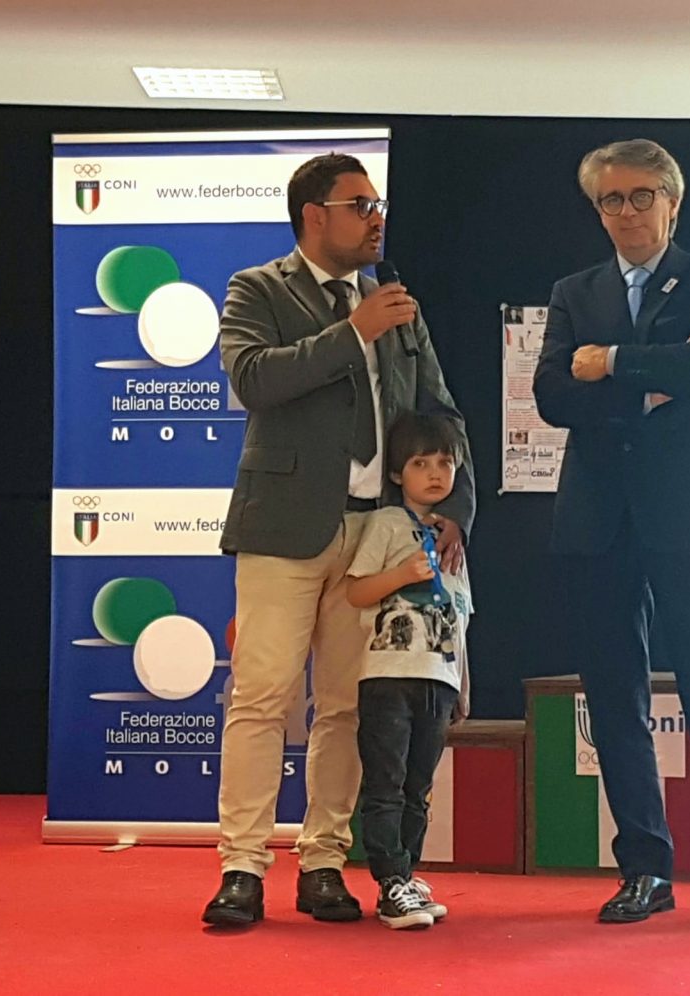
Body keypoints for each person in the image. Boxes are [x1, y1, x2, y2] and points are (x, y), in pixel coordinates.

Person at [202, 153, 475, 927]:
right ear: (314, 215)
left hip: (376, 535)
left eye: (378, 204)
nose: (376, 217)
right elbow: (254, 379)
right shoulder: (258, 288)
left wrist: (455, 506)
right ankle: (241, 866)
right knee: (262, 698)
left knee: (350, 707)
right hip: (282, 526)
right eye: (361, 205)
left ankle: (324, 860)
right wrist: (353, 332)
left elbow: (440, 412)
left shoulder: (396, 304)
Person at [532, 138, 690, 931]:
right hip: (599, 518)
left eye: (643, 196)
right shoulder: (574, 291)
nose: (628, 212)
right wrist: (652, 375)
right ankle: (644, 868)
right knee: (614, 699)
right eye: (612, 199)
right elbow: (551, 396)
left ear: (673, 203)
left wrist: (607, 363)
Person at [345, 412, 472, 930]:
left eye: (445, 462)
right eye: (421, 463)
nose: (435, 473)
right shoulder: (385, 525)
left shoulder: (452, 538)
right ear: (398, 473)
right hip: (388, 674)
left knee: (419, 785)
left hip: (439, 679)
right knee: (387, 782)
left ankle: (407, 874)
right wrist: (401, 574)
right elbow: (356, 591)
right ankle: (388, 879)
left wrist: (463, 683)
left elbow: (461, 616)